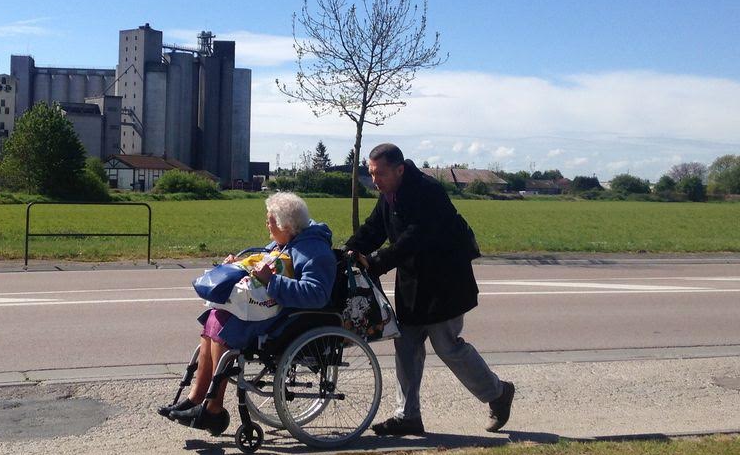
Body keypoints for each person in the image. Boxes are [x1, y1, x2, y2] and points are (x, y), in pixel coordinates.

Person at [344, 143, 515, 436]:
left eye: (380, 173)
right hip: (413, 282)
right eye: (371, 173)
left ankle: (498, 393)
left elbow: (415, 237)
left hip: (445, 281)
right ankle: (407, 415)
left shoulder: (427, 191)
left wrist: (376, 261)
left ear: (399, 169)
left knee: (447, 346)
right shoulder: (389, 194)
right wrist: (348, 250)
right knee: (406, 345)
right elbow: (374, 229)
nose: (375, 180)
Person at [159, 192, 336, 435]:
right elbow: (262, 266)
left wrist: (271, 281)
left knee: (222, 325)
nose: (267, 225)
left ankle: (213, 409)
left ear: (286, 225)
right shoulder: (284, 242)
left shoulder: (313, 250)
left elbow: (317, 294)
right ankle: (196, 396)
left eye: (270, 220)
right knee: (212, 319)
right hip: (269, 311)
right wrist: (239, 264)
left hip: (287, 319)